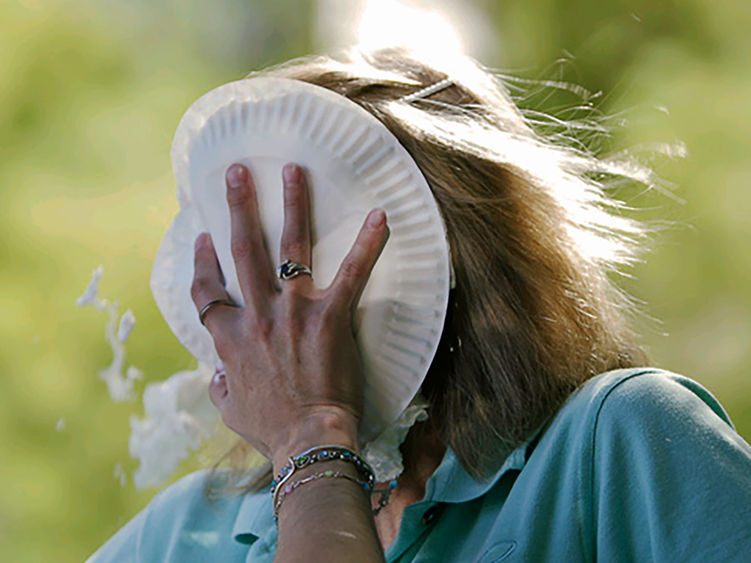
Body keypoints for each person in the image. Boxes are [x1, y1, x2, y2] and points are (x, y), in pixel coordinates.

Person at [89, 48, 751, 562]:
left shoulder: (617, 443)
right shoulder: (189, 531)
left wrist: (311, 434)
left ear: (453, 252)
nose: (268, 302)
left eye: (297, 250)